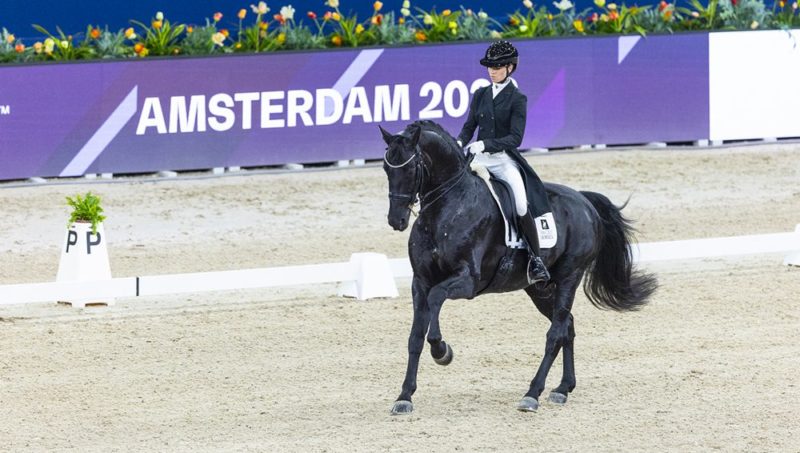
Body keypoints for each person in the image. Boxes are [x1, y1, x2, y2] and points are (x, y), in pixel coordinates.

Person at [457, 40, 550, 285]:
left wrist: (486, 144)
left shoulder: (518, 98)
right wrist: (459, 142)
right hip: (478, 158)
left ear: (510, 68)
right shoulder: (480, 94)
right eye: (490, 66)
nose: (492, 71)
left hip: (502, 159)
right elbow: (469, 127)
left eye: (497, 67)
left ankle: (535, 259)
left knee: (520, 204)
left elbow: (515, 138)